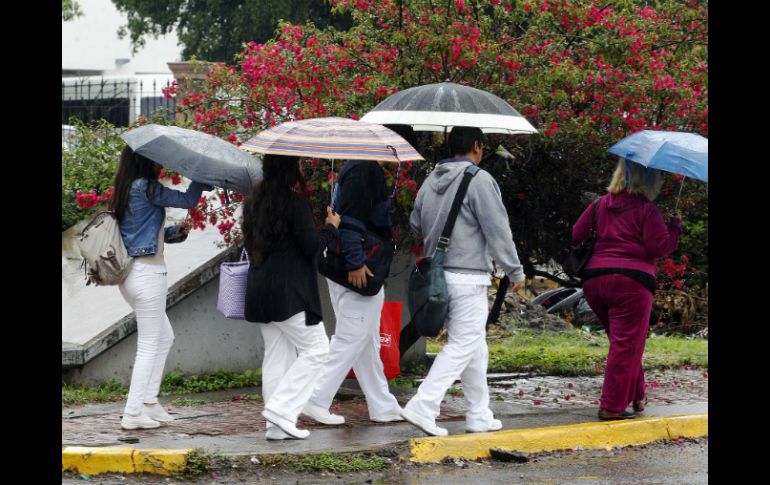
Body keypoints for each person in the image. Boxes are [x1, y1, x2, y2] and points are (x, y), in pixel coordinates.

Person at [401, 126, 525, 436]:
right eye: (482, 146)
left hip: (438, 276)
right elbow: (498, 230)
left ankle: (479, 414)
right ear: (476, 146)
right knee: (463, 345)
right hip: (468, 276)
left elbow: (415, 225)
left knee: (475, 347)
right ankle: (423, 404)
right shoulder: (479, 180)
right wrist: (515, 271)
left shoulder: (430, 181)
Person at [110, 146, 212, 430]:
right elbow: (188, 199)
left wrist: (173, 234)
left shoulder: (126, 188)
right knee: (148, 345)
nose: (160, 163)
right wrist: (201, 178)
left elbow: (139, 233)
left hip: (130, 275)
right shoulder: (146, 187)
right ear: (144, 161)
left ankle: (149, 403)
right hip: (147, 274)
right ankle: (132, 414)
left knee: (164, 337)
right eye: (155, 159)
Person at [241, 154, 341, 440]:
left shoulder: (251, 204)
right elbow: (311, 246)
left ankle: (276, 426)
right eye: (297, 164)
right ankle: (282, 410)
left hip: (260, 288)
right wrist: (331, 228)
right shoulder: (294, 203)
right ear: (290, 169)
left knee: (277, 355)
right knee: (318, 350)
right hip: (290, 293)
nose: (301, 168)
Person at [572, 158, 681, 420]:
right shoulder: (647, 209)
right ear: (650, 180)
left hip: (595, 281)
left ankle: (637, 395)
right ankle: (611, 406)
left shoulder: (600, 204)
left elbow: (577, 234)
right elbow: (659, 248)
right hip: (631, 283)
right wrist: (674, 229)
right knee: (626, 345)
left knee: (624, 343)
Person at [302, 157, 404, 426]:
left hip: (346, 268)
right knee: (352, 337)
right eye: (400, 157)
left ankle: (382, 404)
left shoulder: (357, 166)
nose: (402, 164)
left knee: (365, 341)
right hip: (356, 269)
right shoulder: (364, 169)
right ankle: (316, 397)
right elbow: (352, 223)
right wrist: (356, 262)